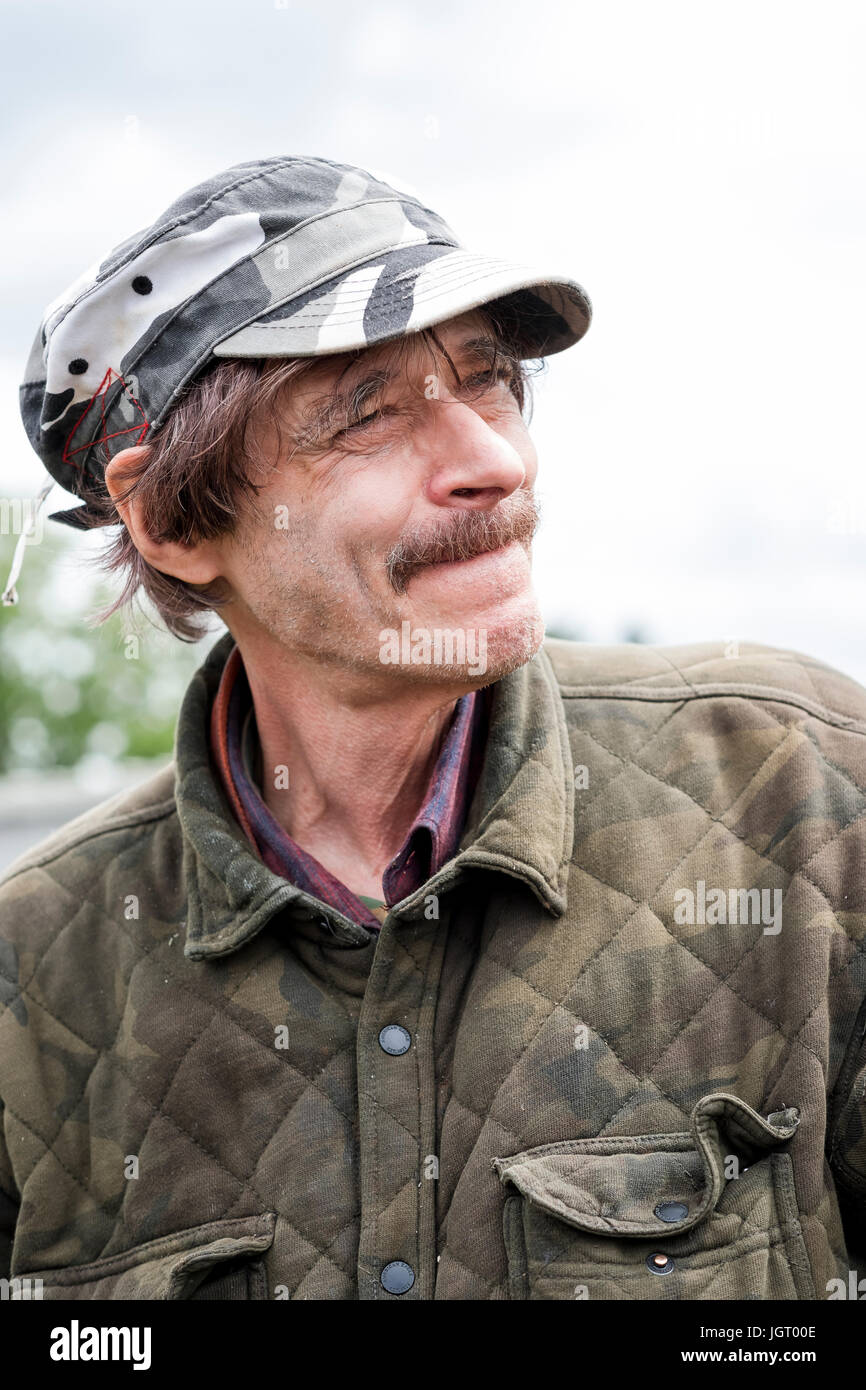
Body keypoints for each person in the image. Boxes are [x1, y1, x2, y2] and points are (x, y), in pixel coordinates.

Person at [0, 156, 863, 1301]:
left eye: (488, 379)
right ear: (169, 520)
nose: (494, 461)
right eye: (365, 413)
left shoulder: (804, 800)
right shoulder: (31, 979)